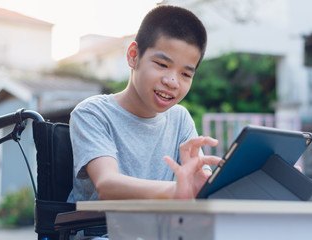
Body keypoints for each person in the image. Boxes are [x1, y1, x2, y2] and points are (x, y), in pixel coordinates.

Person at [67, 5, 221, 204]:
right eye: (162, 65)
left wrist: (202, 185)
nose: (172, 82)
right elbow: (107, 185)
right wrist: (179, 190)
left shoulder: (180, 119)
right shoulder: (92, 113)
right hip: (102, 231)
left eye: (185, 74)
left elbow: (198, 184)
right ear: (133, 56)